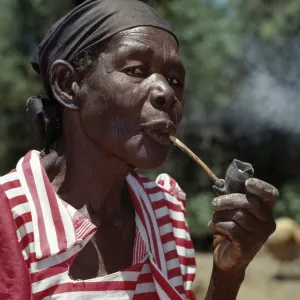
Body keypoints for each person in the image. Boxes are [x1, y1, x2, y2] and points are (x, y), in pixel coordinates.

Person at [0, 0, 278, 299]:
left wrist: (228, 274)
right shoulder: (10, 221)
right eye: (136, 70)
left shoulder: (164, 214)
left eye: (175, 80)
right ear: (68, 84)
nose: (166, 93)